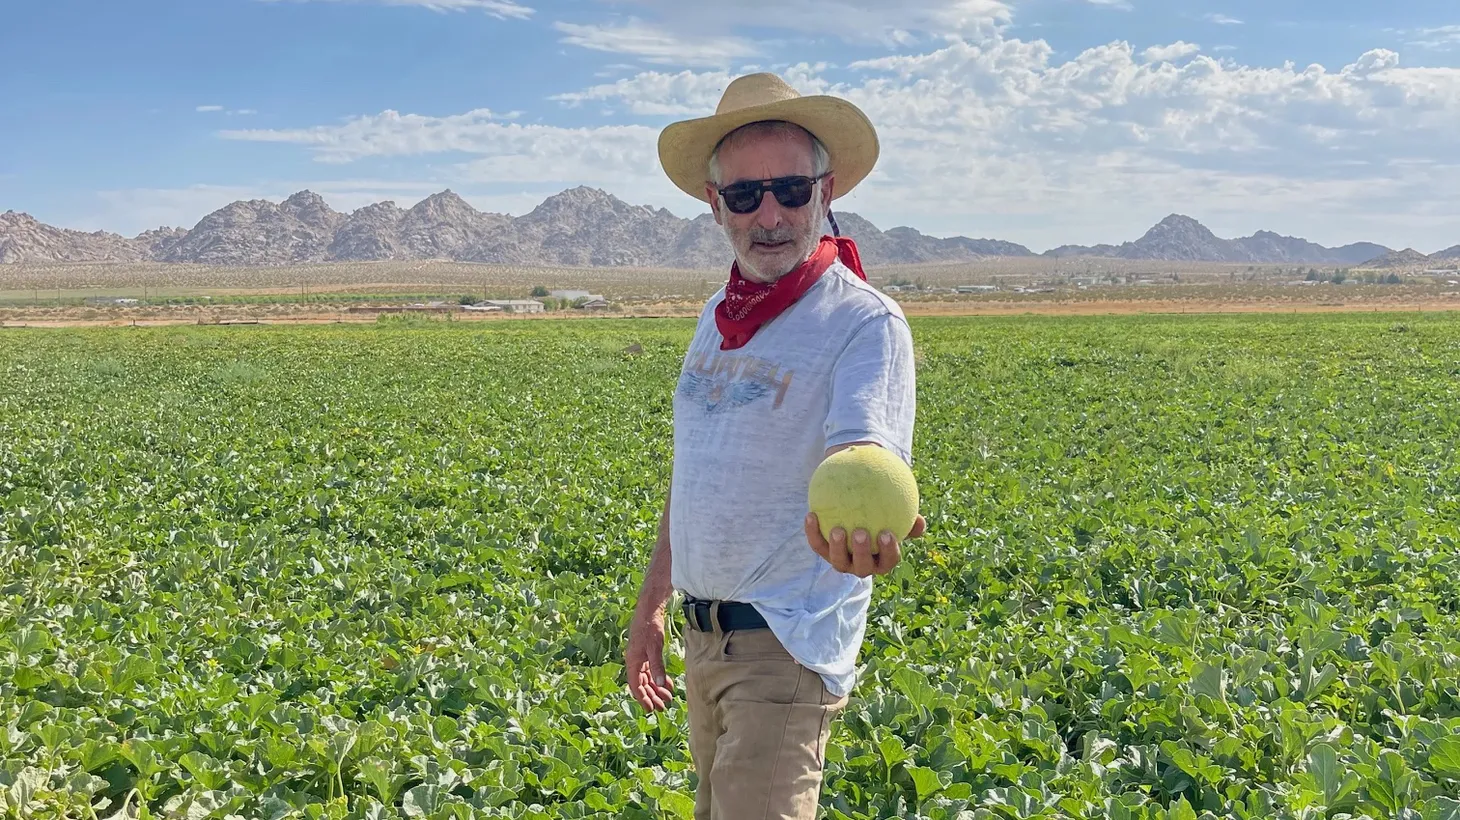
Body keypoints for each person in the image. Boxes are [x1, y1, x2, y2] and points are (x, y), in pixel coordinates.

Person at [624, 72, 925, 820]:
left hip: (783, 644)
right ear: (712, 202)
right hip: (706, 640)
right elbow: (695, 472)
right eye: (746, 195)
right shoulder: (715, 318)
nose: (771, 213)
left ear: (826, 194)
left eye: (791, 189)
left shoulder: (862, 323)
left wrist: (858, 530)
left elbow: (860, 451)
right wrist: (652, 605)